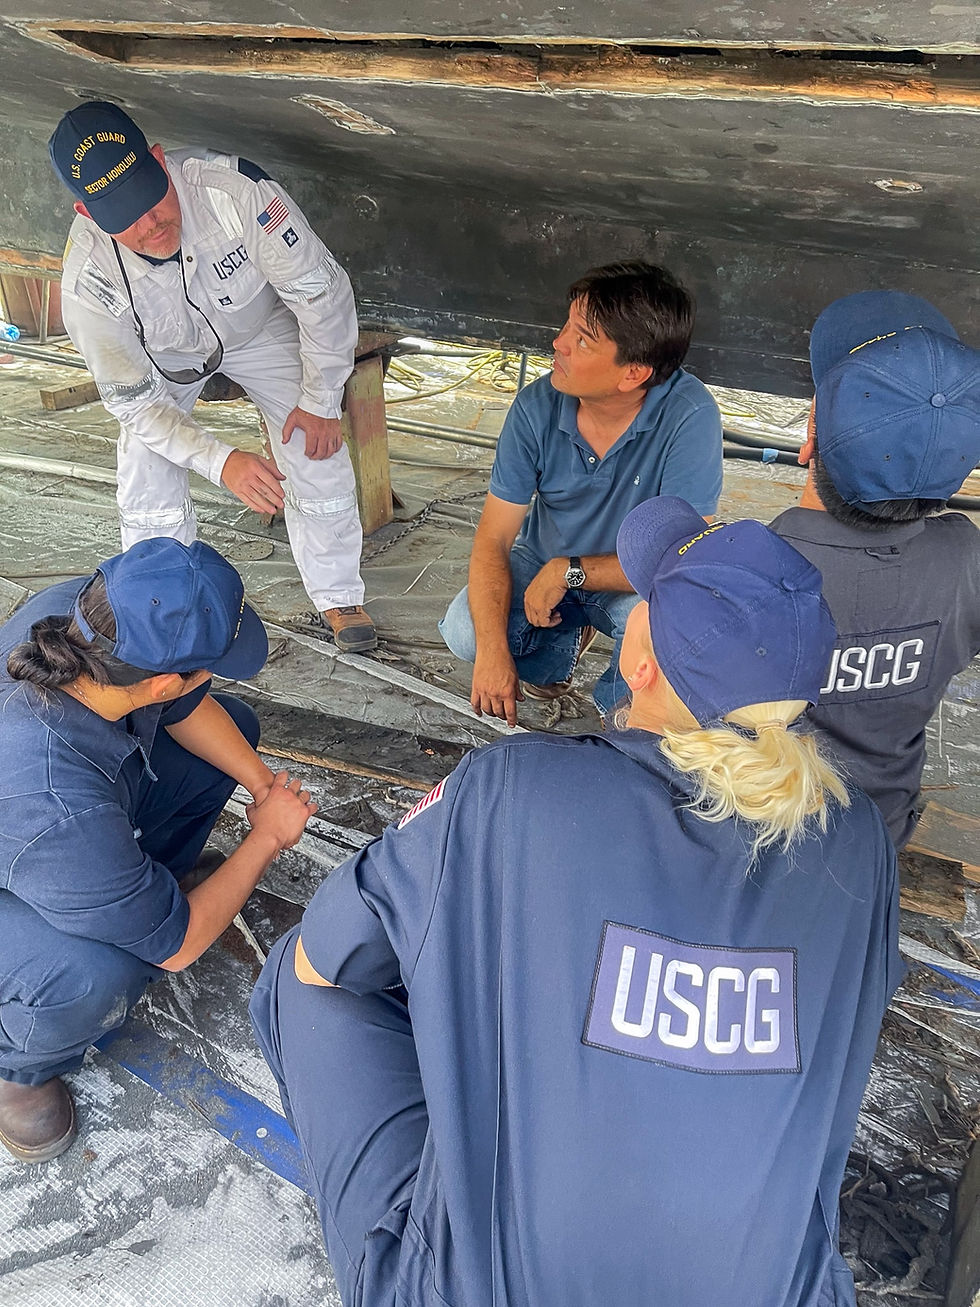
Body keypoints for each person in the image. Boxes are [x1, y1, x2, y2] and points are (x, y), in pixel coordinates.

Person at [251, 496, 902, 1307]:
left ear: (641, 661)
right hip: (778, 1290)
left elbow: (333, 949)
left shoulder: (518, 785)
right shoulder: (860, 840)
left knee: (295, 979)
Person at [0, 538, 317, 1163]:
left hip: (63, 835)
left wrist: (263, 788)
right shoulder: (57, 805)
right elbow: (178, 949)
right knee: (96, 971)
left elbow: (187, 710)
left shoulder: (80, 618)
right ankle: (18, 1071)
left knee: (236, 731)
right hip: (36, 846)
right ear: (164, 679)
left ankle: (132, 895)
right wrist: (267, 836)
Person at [47, 100, 377, 653]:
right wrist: (222, 462)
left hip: (258, 327)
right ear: (87, 213)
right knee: (146, 467)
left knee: (315, 444)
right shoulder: (88, 283)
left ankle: (339, 595)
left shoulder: (234, 191)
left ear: (158, 159)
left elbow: (322, 295)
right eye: (126, 219)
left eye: (153, 202)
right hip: (163, 360)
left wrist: (321, 400)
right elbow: (135, 404)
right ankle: (161, 610)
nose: (151, 226)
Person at [439, 261, 723, 724]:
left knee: (678, 630)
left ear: (632, 374)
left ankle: (620, 708)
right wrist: (492, 655)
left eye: (582, 339)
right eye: (565, 326)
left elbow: (679, 559)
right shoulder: (536, 406)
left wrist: (569, 573)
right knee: (468, 633)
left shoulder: (690, 415)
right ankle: (557, 652)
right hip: (544, 561)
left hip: (636, 577)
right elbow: (493, 538)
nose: (558, 344)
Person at [771, 290, 980, 848]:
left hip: (754, 829)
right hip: (879, 833)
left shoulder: (743, 565)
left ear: (808, 437)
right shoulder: (965, 560)